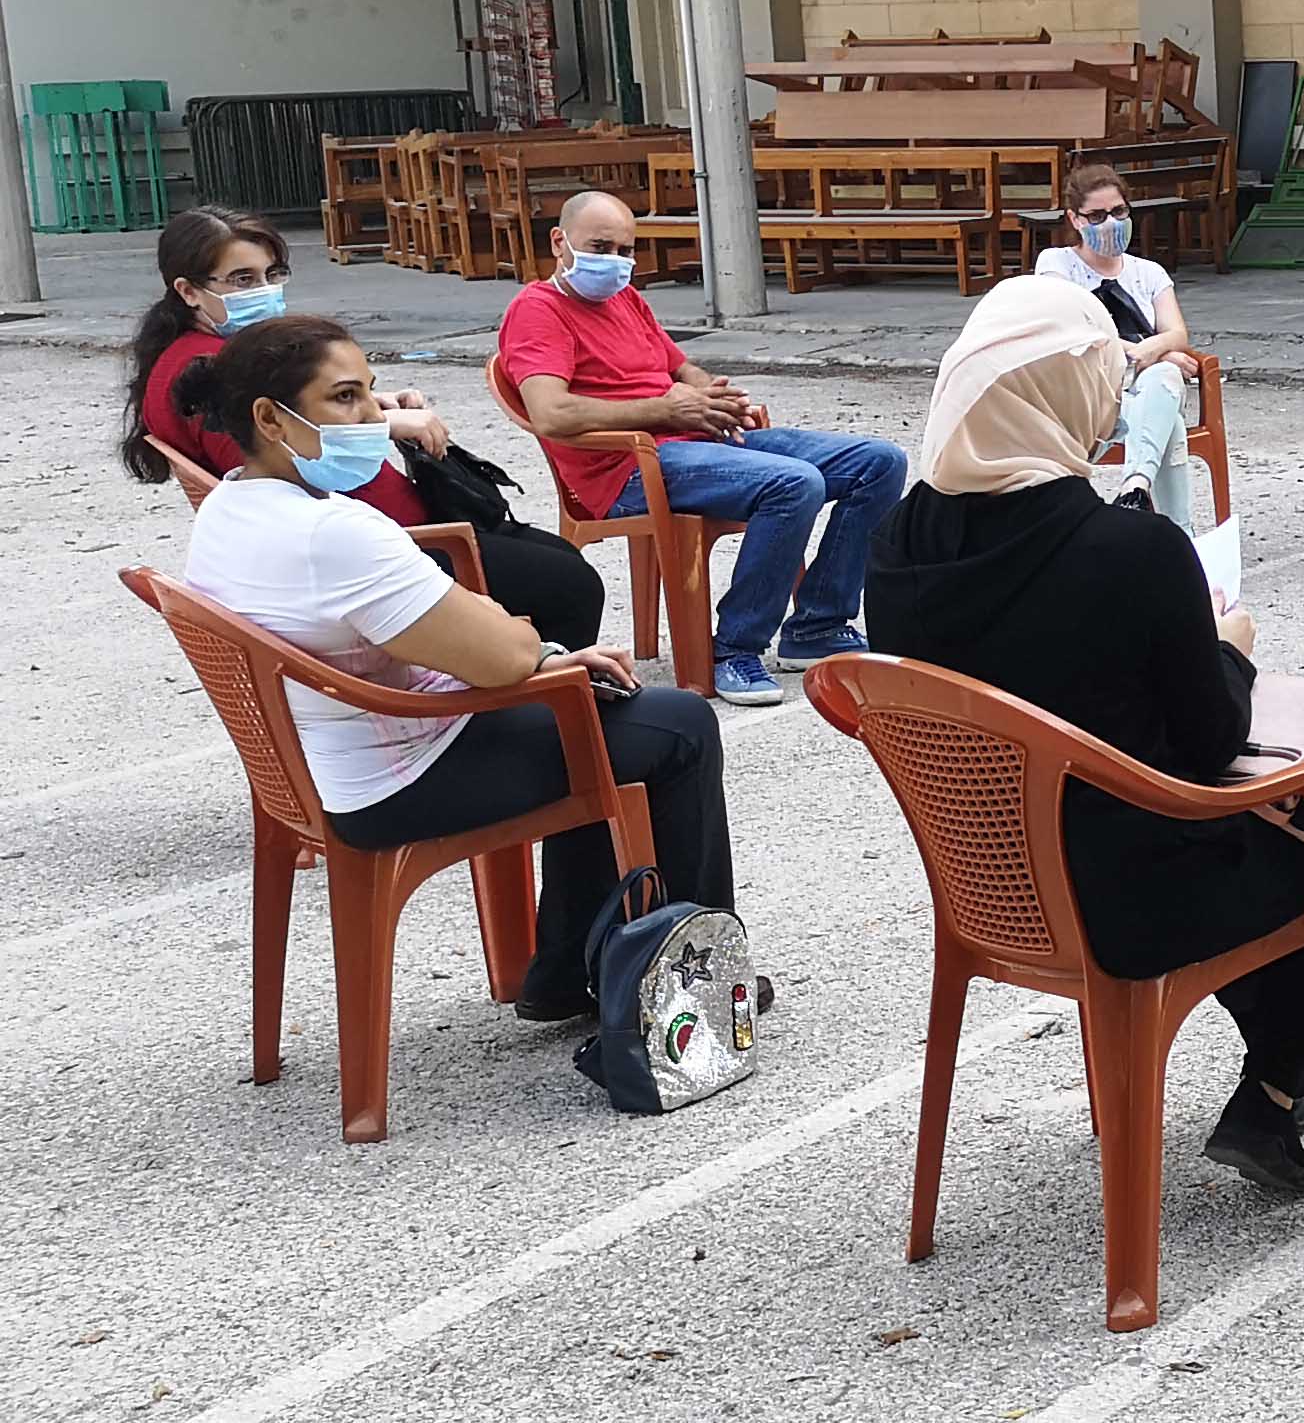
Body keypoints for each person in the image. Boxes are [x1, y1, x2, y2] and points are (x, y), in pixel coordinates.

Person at [867, 278, 1304, 1195]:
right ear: (1061, 396)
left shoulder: (894, 542)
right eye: (1103, 380)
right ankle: (1276, 1085)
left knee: (1271, 830)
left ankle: (1284, 1057)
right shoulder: (1130, 549)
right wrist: (1226, 646)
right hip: (1129, 894)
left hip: (990, 883)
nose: (1114, 402)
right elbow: (1208, 744)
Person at [173, 315, 738, 1024]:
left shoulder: (228, 503)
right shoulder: (337, 533)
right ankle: (702, 975)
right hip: (396, 777)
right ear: (269, 417)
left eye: (371, 394)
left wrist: (549, 660)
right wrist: (545, 655)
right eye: (344, 399)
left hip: (328, 758)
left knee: (596, 707)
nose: (373, 418)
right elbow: (501, 658)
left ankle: (572, 969)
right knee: (675, 723)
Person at [124, 206, 603, 650]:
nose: (265, 291)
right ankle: (556, 710)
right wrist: (385, 426)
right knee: (570, 584)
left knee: (555, 557)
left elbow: (295, 421)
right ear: (188, 291)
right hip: (384, 545)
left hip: (393, 529)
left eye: (272, 275)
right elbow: (275, 462)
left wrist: (369, 404)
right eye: (242, 279)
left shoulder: (202, 360)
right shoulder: (207, 375)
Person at [498, 192, 908, 706]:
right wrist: (665, 410)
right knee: (794, 483)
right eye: (601, 246)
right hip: (626, 468)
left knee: (879, 462)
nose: (617, 262)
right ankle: (734, 647)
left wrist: (710, 393)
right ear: (560, 242)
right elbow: (551, 413)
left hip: (695, 439)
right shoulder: (538, 310)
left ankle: (818, 625)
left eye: (627, 250)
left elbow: (678, 368)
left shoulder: (624, 299)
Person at [1031, 163, 1209, 527]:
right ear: (1074, 219)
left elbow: (1178, 333)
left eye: (1118, 212)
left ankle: (1135, 486)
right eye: (1096, 215)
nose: (1109, 223)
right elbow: (1069, 329)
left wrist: (1153, 351)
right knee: (1168, 400)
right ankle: (1179, 536)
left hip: (1144, 389)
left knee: (1162, 379)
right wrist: (1153, 350)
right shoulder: (1057, 264)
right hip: (1089, 395)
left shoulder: (1148, 272)